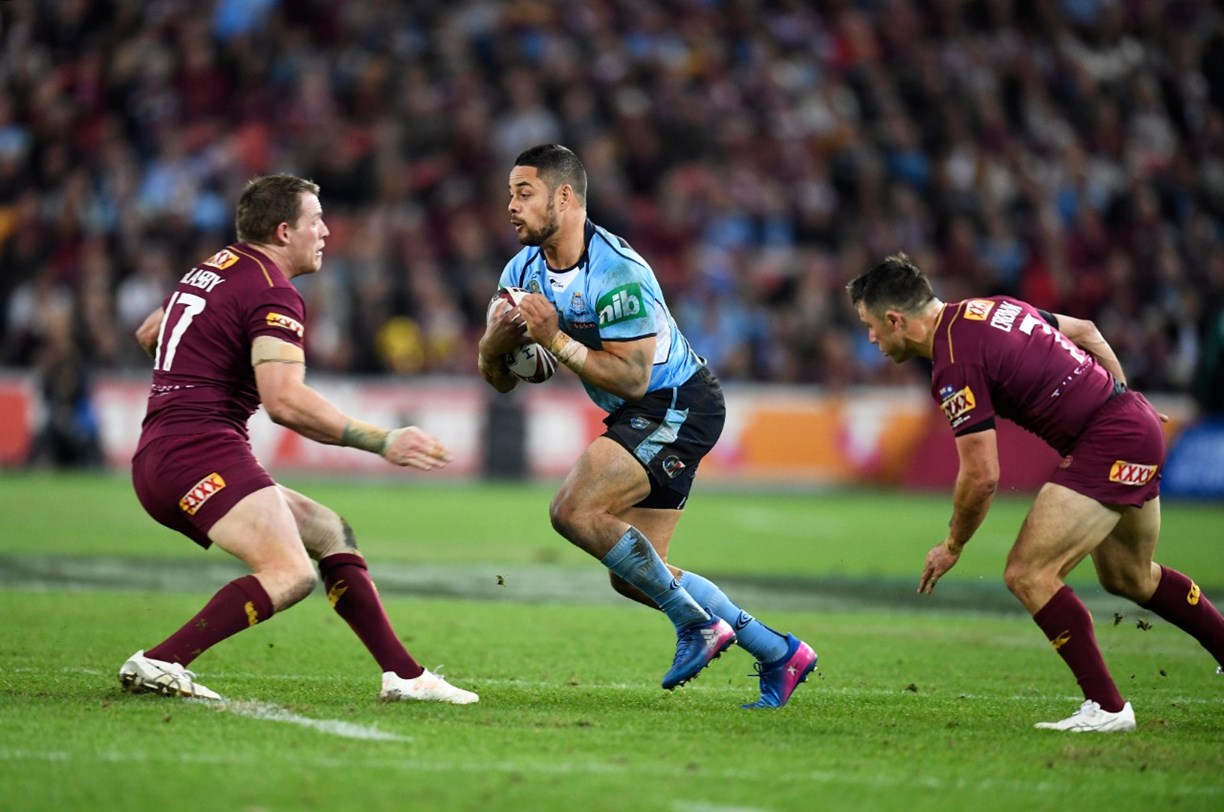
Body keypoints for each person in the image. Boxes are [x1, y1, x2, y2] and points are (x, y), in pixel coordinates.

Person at [477, 144, 816, 708]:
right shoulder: (521, 272)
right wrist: (494, 344)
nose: (511, 205)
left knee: (573, 510)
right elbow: (501, 380)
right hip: (643, 411)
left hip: (677, 402)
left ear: (565, 197)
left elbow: (633, 378)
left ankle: (696, 624)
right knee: (634, 575)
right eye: (510, 194)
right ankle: (781, 652)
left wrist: (554, 338)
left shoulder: (617, 270)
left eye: (524, 193)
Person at [120, 174, 477, 705]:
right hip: (197, 451)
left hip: (163, 450)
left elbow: (150, 331)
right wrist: (382, 441)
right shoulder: (272, 290)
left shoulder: (214, 268)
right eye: (316, 221)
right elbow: (284, 402)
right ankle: (162, 660)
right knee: (289, 574)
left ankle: (404, 675)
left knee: (330, 531)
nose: (326, 232)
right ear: (284, 232)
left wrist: (202, 369)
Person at [847, 252, 1224, 732]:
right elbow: (1086, 331)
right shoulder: (992, 307)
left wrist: (952, 546)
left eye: (870, 326)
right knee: (1131, 577)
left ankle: (1107, 707)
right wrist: (1123, 398)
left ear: (895, 319)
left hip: (1109, 440)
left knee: (1028, 573)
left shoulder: (954, 362)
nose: (871, 339)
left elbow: (982, 475)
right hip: (1132, 425)